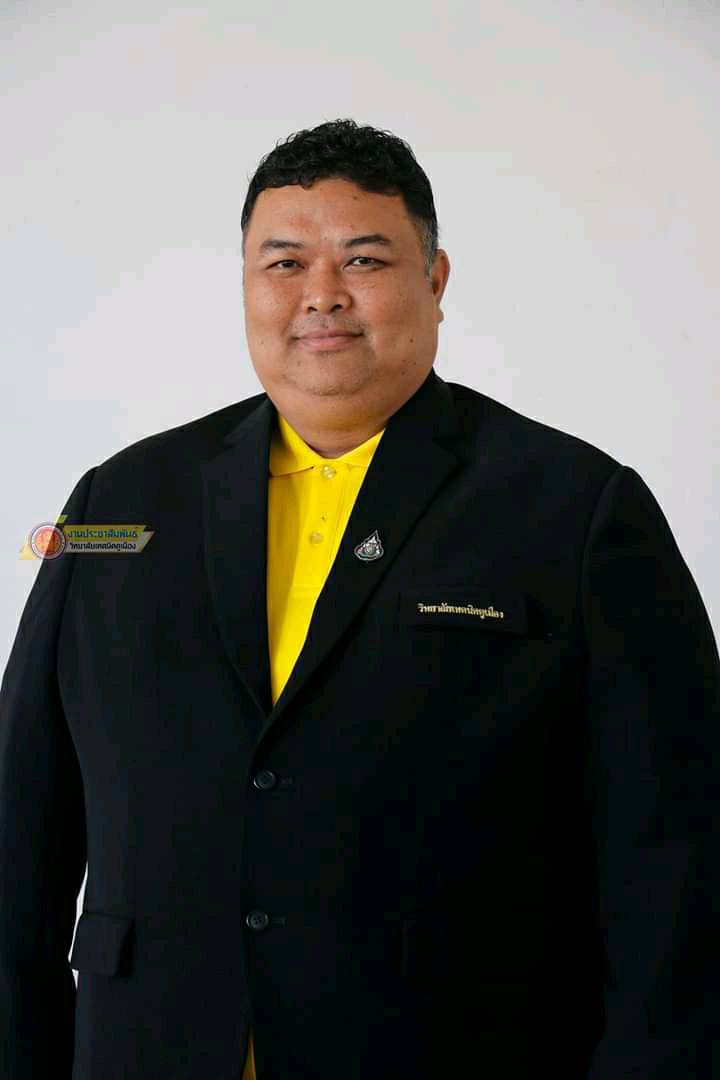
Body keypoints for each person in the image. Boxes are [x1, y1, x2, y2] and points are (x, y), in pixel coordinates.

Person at [1, 118, 718, 1080]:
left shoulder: (575, 510)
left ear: (437, 279)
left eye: (365, 260)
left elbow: (678, 863)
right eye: (284, 263)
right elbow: (23, 829)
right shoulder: (115, 504)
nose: (321, 295)